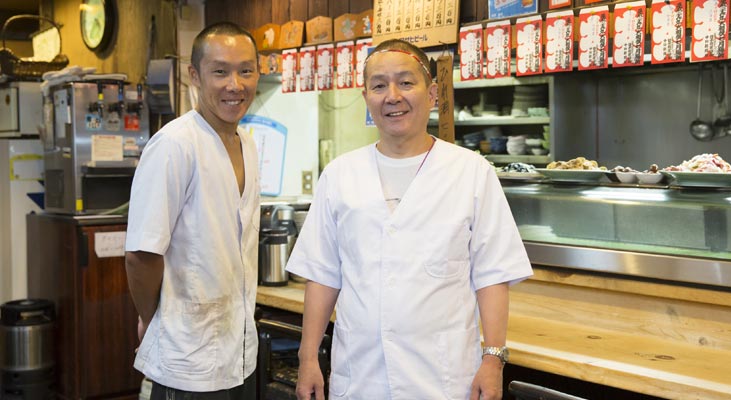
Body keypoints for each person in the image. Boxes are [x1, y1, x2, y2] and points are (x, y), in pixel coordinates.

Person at [288, 39, 532, 400]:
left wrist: (493, 359)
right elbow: (323, 274)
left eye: (405, 82)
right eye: (379, 85)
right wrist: (308, 358)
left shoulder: (471, 172)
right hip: (361, 377)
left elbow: (492, 275)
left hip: (441, 379)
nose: (392, 96)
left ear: (432, 93)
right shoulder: (340, 175)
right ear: (366, 97)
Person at [125, 22, 261, 398]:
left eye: (245, 70)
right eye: (220, 71)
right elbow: (141, 254)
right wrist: (156, 320)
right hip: (186, 361)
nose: (235, 84)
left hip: (240, 354)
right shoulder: (174, 145)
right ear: (195, 75)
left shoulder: (247, 143)